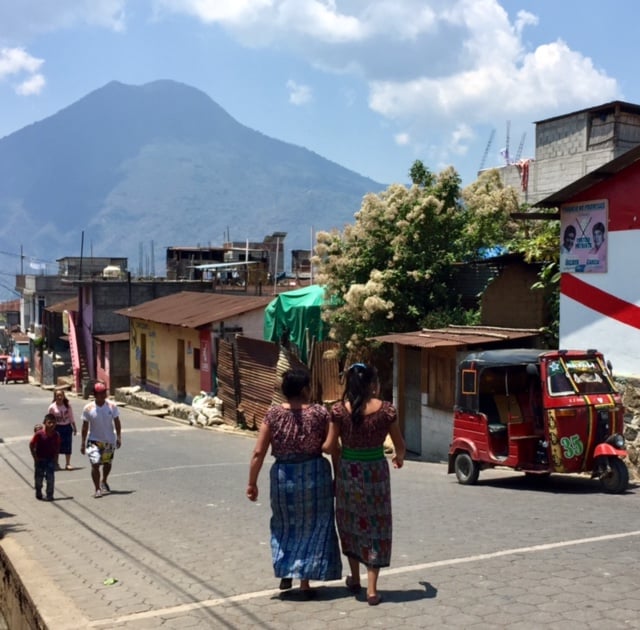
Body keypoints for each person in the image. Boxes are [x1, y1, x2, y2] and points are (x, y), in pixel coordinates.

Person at [247, 367, 342, 597]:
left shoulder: (273, 415)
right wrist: (338, 477)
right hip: (315, 476)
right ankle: (305, 583)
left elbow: (259, 452)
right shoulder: (320, 413)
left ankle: (286, 570)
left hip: (284, 478)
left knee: (284, 524)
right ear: (303, 389)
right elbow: (333, 448)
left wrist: (252, 482)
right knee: (313, 526)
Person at [324, 363, 406, 606]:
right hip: (376, 475)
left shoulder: (338, 411)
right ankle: (372, 589)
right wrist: (398, 458)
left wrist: (336, 449)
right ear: (373, 384)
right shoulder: (387, 410)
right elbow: (399, 445)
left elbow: (329, 446)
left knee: (350, 523)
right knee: (376, 525)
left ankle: (355, 578)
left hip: (348, 472)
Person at [80, 382, 122, 498]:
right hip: (94, 441)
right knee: (95, 464)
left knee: (107, 463)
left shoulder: (112, 406)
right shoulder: (88, 408)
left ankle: (104, 480)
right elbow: (85, 426)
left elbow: (117, 422)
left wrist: (118, 437)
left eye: (104, 392)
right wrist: (83, 443)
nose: (103, 395)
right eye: (100, 393)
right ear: (94, 394)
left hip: (109, 441)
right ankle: (97, 488)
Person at [29, 413, 61, 501]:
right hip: (40, 459)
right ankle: (38, 492)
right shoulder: (39, 434)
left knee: (50, 478)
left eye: (54, 423)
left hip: (50, 459)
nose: (51, 425)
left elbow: (57, 448)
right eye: (49, 422)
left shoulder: (56, 435)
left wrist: (56, 460)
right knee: (38, 478)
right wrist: (35, 458)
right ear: (45, 422)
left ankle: (49, 495)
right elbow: (31, 445)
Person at [48, 388, 77, 470]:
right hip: (57, 428)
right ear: (55, 397)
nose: (59, 397)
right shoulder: (52, 407)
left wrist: (74, 428)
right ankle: (56, 463)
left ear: (64, 396)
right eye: (57, 396)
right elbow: (49, 419)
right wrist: (49, 430)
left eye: (61, 395)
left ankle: (68, 463)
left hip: (67, 427)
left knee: (68, 445)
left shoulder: (67, 406)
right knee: (56, 446)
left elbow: (71, 417)